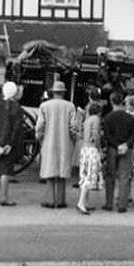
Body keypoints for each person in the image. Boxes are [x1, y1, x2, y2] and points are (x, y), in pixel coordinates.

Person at [35, 81, 76, 209]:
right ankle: (61, 200)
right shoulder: (70, 106)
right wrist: (73, 140)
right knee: (62, 173)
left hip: (49, 141)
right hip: (64, 142)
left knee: (50, 172)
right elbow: (73, 127)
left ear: (53, 92)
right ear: (63, 92)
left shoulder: (44, 106)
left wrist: (39, 137)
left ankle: (50, 200)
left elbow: (40, 125)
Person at [0, 82, 24, 206]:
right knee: (6, 172)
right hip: (9, 143)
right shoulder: (17, 109)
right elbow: (17, 128)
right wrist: (10, 144)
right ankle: (4, 198)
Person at [101, 92, 134, 213]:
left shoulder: (108, 118)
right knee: (124, 177)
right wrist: (126, 145)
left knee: (110, 176)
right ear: (122, 101)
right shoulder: (130, 117)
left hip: (112, 149)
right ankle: (122, 204)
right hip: (127, 149)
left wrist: (116, 145)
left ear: (111, 102)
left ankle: (109, 203)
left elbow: (107, 135)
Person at [76, 102, 103, 215]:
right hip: (92, 149)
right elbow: (95, 135)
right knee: (89, 176)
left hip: (84, 148)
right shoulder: (96, 119)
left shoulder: (87, 120)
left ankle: (84, 202)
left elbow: (82, 134)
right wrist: (100, 149)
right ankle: (81, 203)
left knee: (84, 175)